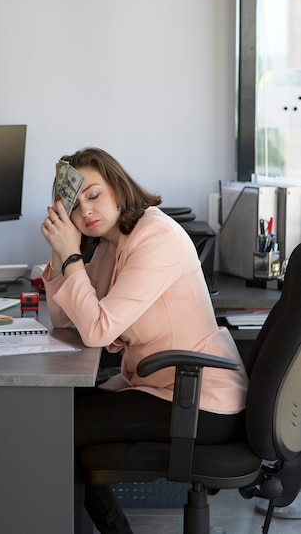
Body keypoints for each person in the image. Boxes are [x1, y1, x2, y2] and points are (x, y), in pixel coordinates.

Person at [41, 147, 248, 534]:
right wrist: (60, 253)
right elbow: (64, 318)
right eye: (75, 203)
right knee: (51, 408)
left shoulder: (155, 237)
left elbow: (98, 330)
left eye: (94, 194)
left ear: (119, 188)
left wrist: (72, 258)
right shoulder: (110, 245)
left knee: (54, 426)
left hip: (200, 399)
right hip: (158, 387)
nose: (86, 210)